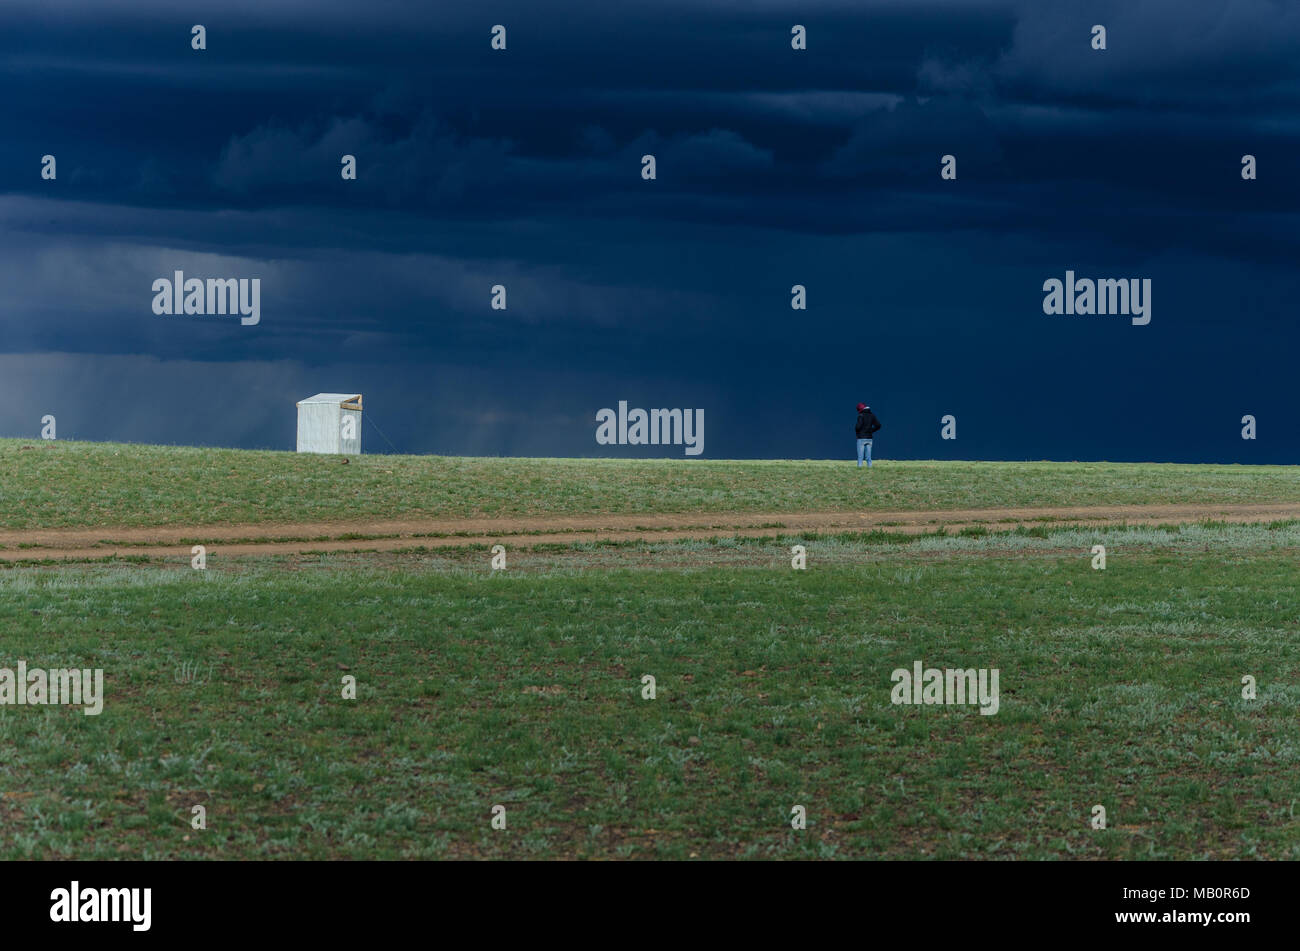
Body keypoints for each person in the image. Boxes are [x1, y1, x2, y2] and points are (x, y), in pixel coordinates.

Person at [855, 402, 881, 468]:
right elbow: (878, 425)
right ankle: (870, 469)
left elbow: (858, 427)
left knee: (860, 457)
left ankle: (859, 470)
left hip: (861, 438)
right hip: (869, 438)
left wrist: (856, 430)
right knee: (868, 457)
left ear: (860, 409)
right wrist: (871, 430)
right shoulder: (872, 415)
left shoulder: (861, 415)